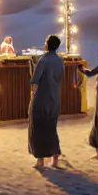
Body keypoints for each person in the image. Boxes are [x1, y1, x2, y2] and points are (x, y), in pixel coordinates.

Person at [28, 34, 72, 169]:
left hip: (42, 97)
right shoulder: (60, 60)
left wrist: (32, 69)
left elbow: (34, 80)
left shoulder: (43, 60)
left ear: (48, 44)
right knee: (51, 128)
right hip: (54, 98)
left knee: (38, 127)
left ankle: (40, 160)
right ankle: (55, 159)